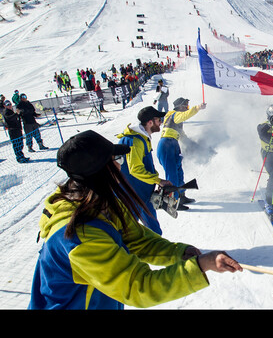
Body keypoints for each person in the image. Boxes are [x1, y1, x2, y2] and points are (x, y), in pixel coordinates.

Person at [28, 130, 242, 310]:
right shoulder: (80, 236)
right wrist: (201, 266)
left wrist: (180, 253)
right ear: (100, 171)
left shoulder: (102, 203)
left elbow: (138, 240)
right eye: (116, 160)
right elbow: (138, 286)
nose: (122, 166)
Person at [117, 106, 171, 235]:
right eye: (158, 119)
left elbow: (146, 166)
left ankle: (156, 248)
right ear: (150, 122)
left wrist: (155, 182)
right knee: (128, 230)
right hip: (133, 193)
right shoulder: (135, 141)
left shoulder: (142, 138)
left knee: (153, 229)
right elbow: (135, 169)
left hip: (141, 191)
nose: (161, 122)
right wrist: (158, 180)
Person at [157, 99, 207, 209]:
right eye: (186, 106)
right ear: (180, 106)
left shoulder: (177, 121)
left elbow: (183, 137)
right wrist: (198, 107)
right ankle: (173, 201)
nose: (187, 108)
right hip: (166, 144)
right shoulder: (174, 115)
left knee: (179, 171)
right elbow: (185, 115)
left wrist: (195, 146)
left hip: (173, 143)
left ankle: (181, 196)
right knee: (172, 174)